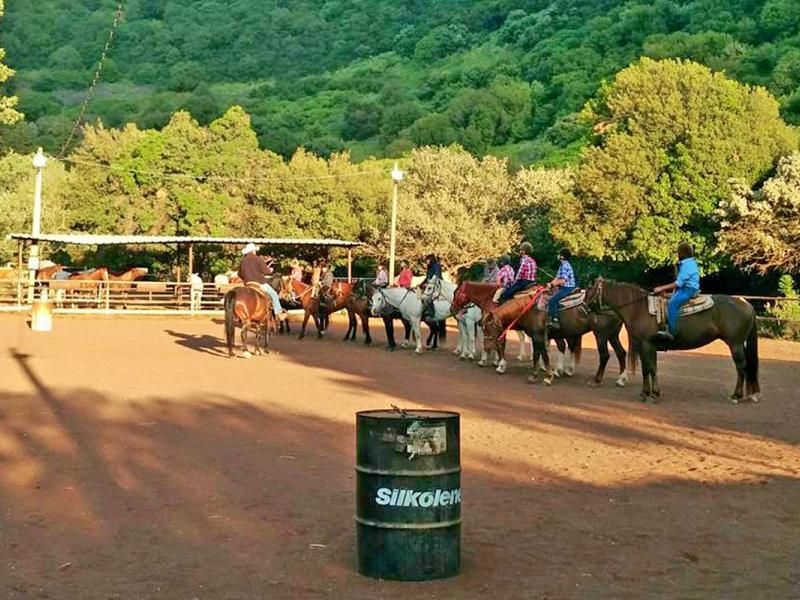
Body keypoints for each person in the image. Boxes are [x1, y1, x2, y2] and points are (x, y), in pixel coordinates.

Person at [653, 241, 700, 340]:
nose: (677, 255)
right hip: (685, 288)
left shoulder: (687, 265)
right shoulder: (688, 263)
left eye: (678, 253)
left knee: (672, 304)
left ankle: (671, 331)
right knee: (669, 298)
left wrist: (661, 288)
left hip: (688, 289)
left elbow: (678, 283)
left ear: (682, 253)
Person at [238, 243, 284, 320]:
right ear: (253, 251)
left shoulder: (243, 260)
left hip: (248, 283)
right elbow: (266, 272)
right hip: (259, 283)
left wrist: (246, 278)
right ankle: (278, 313)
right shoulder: (258, 259)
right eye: (255, 250)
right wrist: (270, 270)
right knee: (274, 294)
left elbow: (239, 274)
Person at [546, 248, 577, 327]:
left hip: (567, 287)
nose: (558, 256)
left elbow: (563, 280)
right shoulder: (563, 265)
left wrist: (552, 285)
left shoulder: (564, 265)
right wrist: (550, 284)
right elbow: (557, 278)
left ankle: (555, 320)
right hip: (565, 287)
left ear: (562, 257)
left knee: (552, 301)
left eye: (559, 254)